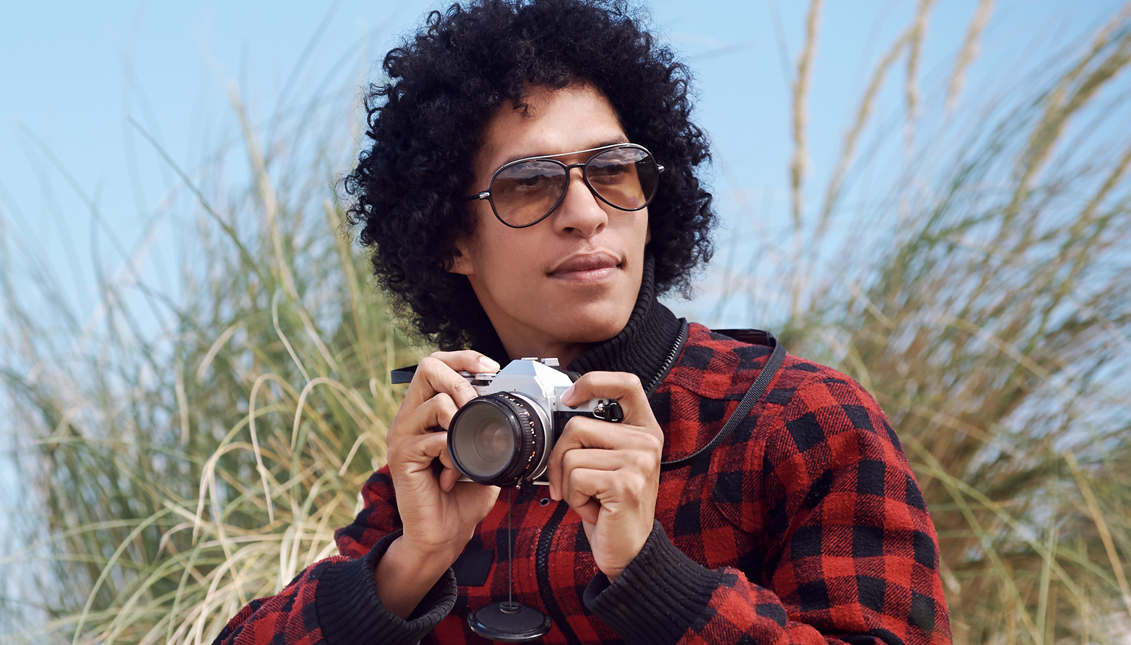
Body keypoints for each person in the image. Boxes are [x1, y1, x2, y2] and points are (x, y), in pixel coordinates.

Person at [214, 0, 952, 643]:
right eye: (528, 184)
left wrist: (653, 576)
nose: (585, 212)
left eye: (612, 170)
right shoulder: (447, 462)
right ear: (447, 239)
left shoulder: (796, 421)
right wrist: (409, 564)